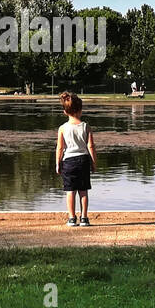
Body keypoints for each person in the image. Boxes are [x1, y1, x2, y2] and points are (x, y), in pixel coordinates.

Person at [55, 90, 97, 227]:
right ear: (81, 109)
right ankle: (84, 218)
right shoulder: (86, 126)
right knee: (83, 191)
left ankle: (72, 218)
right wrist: (94, 163)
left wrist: (58, 163)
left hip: (69, 161)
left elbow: (60, 148)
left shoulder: (62, 128)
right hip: (83, 160)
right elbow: (91, 146)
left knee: (70, 191)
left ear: (65, 112)